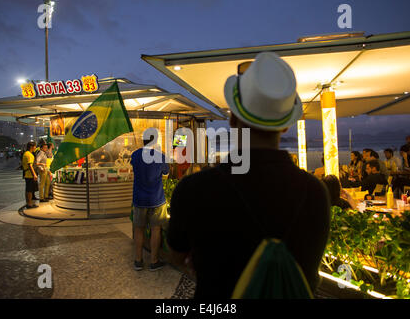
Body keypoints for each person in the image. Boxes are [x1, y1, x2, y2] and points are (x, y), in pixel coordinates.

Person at [166, 52, 330, 298]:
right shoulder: (316, 191)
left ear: (233, 119)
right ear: (285, 124)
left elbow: (177, 254)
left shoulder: (194, 189)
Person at [130, 134, 170, 271]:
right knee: (156, 229)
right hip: (156, 199)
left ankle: (138, 261)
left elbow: (133, 169)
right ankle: (154, 261)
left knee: (138, 229)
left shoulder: (135, 155)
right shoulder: (160, 156)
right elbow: (166, 172)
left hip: (139, 199)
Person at [22, 141, 38, 209]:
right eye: (35, 146)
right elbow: (30, 165)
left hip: (27, 174)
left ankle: (28, 203)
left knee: (28, 189)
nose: (35, 147)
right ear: (31, 147)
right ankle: (29, 204)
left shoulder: (26, 153)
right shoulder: (29, 155)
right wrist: (34, 174)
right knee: (30, 190)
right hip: (29, 175)